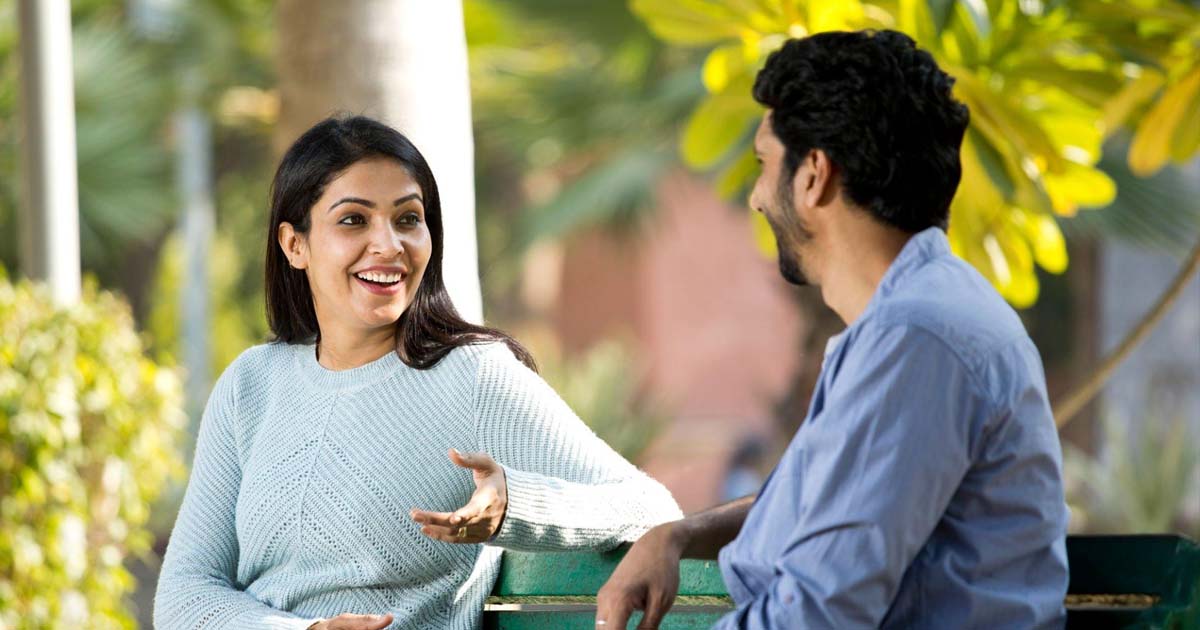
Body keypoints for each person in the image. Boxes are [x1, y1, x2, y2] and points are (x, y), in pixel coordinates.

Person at [596, 30, 1069, 629]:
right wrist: (680, 535)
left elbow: (819, 611)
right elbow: (828, 505)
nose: (757, 198)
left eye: (765, 164)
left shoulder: (917, 338)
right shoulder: (920, 317)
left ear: (814, 174)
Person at [153, 115, 682, 630]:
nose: (389, 245)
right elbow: (185, 593)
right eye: (353, 220)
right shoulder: (253, 385)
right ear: (295, 245)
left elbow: (650, 506)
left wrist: (513, 506)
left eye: (408, 218)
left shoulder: (474, 377)